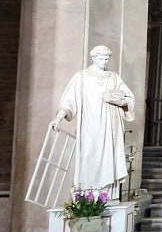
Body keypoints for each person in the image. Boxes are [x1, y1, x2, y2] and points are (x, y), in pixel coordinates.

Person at [50, 45, 135, 191]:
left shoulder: (113, 77)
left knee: (109, 156)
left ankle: (107, 194)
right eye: (101, 58)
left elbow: (129, 98)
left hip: (110, 126)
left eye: (106, 59)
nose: (104, 61)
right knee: (89, 155)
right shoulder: (82, 77)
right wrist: (58, 118)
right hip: (90, 124)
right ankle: (89, 192)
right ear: (94, 58)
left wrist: (120, 101)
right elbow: (69, 100)